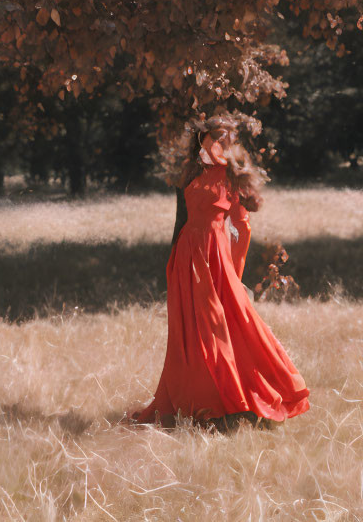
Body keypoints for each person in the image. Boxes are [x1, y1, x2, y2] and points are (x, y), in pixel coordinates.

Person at [128, 116, 310, 428]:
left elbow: (241, 225)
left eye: (222, 140)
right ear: (202, 140)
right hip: (187, 255)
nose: (215, 145)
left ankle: (238, 399)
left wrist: (233, 274)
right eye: (211, 139)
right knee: (192, 330)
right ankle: (199, 401)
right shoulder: (194, 170)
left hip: (214, 256)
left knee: (224, 323)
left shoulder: (231, 174)